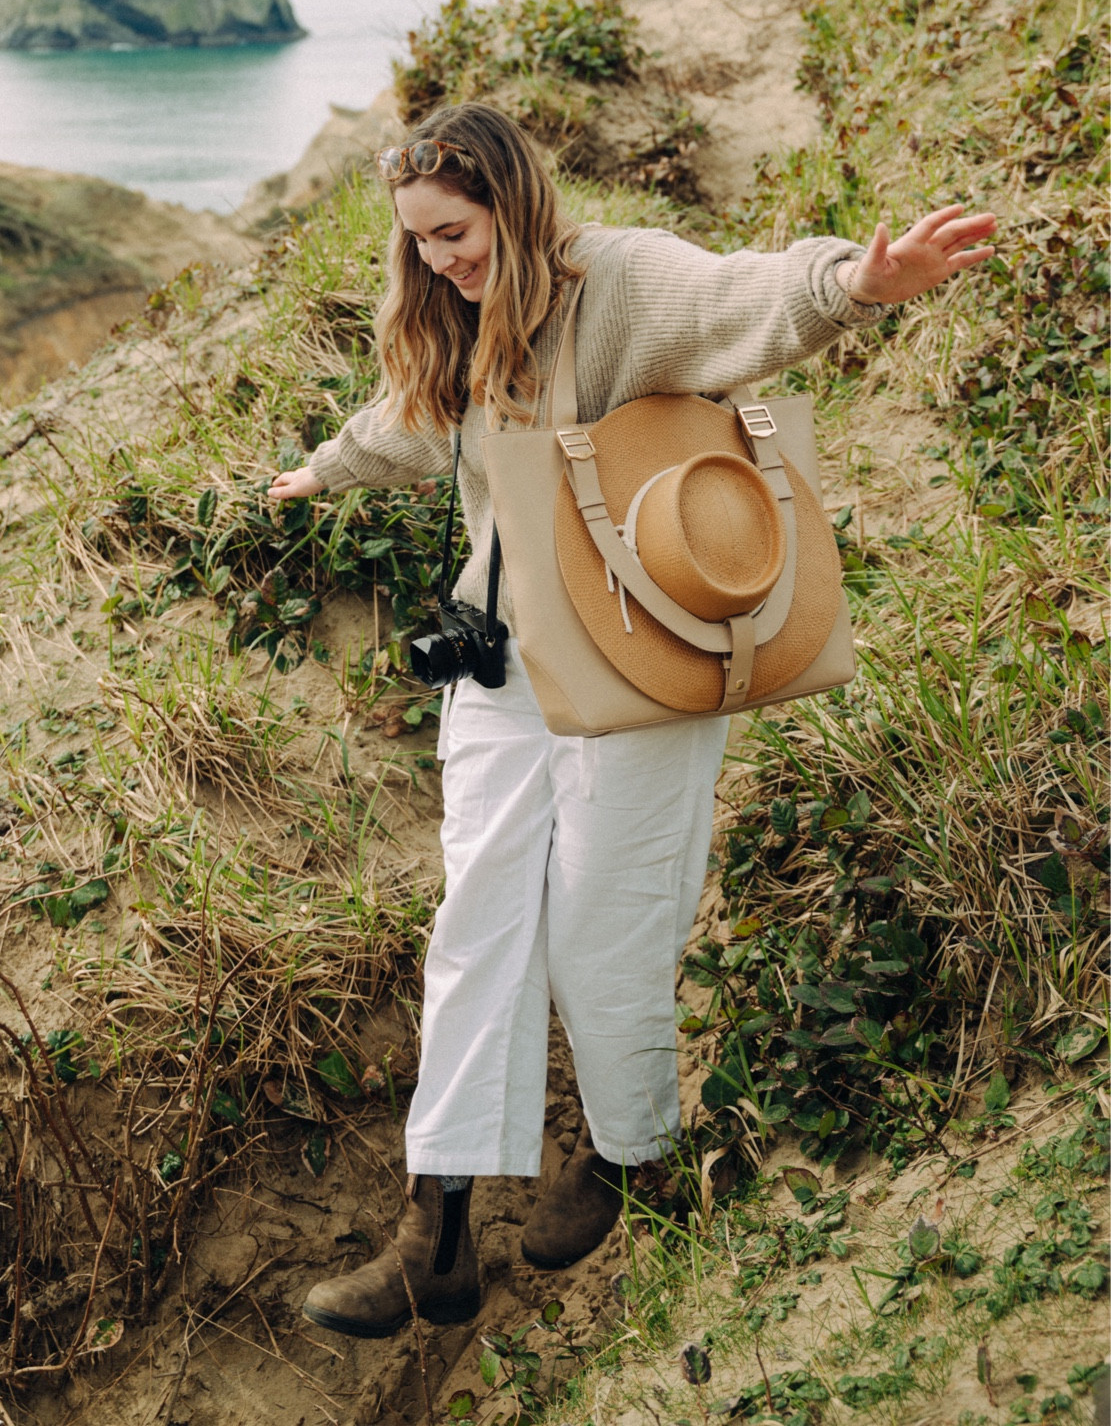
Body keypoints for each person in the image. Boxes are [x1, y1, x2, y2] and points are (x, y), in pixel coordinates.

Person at [269, 101, 995, 1339]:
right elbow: (414, 424)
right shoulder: (456, 314)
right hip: (500, 663)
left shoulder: (619, 278)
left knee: (605, 912)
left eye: (455, 232)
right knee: (475, 924)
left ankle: (627, 1154)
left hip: (638, 657)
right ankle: (432, 1231)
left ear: (510, 198)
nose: (441, 260)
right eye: (421, 244)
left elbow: (741, 298)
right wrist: (324, 467)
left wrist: (856, 282)